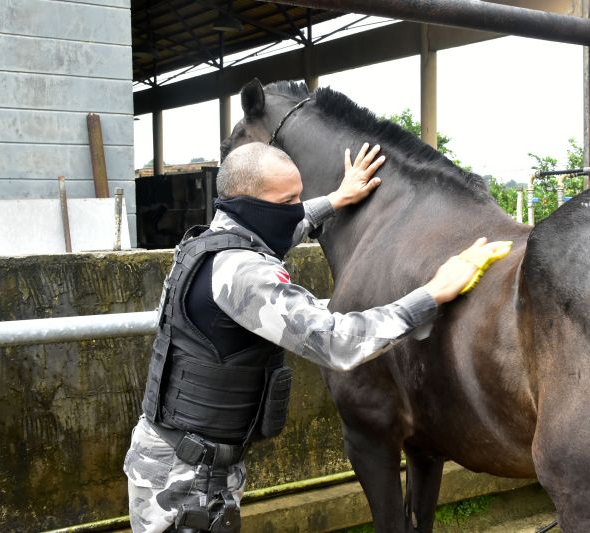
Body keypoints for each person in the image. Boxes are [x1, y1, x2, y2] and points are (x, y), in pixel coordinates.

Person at [123, 141, 506, 533]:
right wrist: (431, 295)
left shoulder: (211, 240)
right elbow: (336, 340)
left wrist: (338, 198)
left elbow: (293, 221)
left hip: (181, 458)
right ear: (251, 206)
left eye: (299, 197)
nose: (296, 208)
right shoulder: (243, 274)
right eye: (287, 200)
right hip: (184, 482)